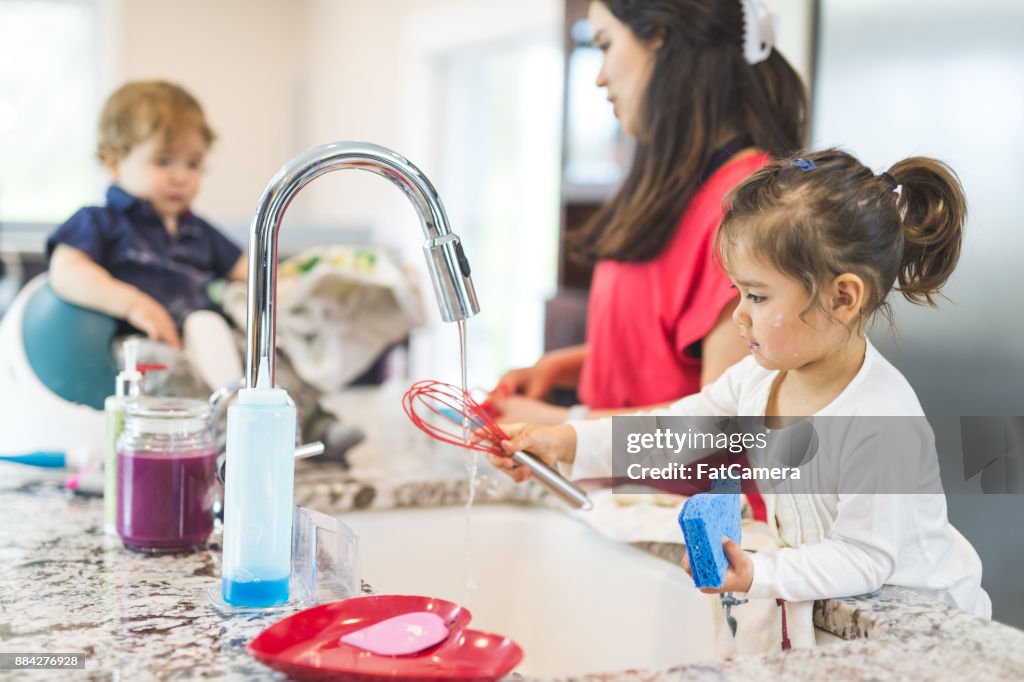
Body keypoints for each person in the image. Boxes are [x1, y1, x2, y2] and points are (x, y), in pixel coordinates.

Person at [488, 150, 992, 634]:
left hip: (922, 630)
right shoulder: (760, 377)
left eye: (757, 294)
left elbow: (863, 558)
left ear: (842, 297)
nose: (739, 315)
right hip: (846, 610)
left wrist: (757, 572)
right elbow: (672, 433)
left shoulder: (879, 419)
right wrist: (565, 442)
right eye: (737, 292)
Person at [493, 0, 808, 424]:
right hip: (620, 490)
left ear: (662, 39)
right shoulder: (680, 188)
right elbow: (661, 352)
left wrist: (558, 427)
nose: (600, 76)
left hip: (687, 494)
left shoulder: (753, 210)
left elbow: (719, 423)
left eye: (605, 45)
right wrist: (566, 366)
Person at [45, 80, 356, 457]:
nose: (181, 176)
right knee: (169, 375)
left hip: (208, 335)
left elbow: (252, 271)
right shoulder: (99, 223)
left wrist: (309, 282)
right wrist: (132, 305)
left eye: (193, 164)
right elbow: (67, 270)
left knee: (264, 358)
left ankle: (316, 426)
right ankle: (223, 443)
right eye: (163, 161)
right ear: (114, 161)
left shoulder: (198, 230)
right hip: (145, 342)